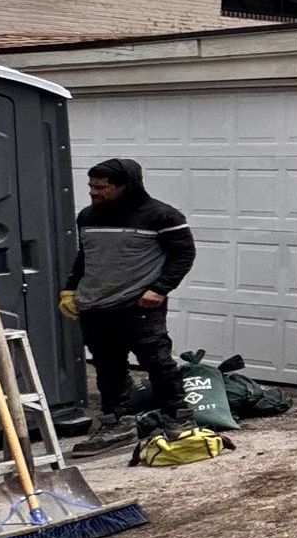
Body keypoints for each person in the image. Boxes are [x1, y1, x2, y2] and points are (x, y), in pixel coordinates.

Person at [60, 158, 196, 438]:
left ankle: (178, 417)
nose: (94, 192)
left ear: (126, 186)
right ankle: (116, 420)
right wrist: (70, 289)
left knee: (158, 363)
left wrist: (160, 289)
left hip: (139, 306)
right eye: (91, 186)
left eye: (102, 187)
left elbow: (183, 254)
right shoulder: (88, 216)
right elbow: (86, 257)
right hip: (95, 307)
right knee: (108, 367)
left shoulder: (162, 216)